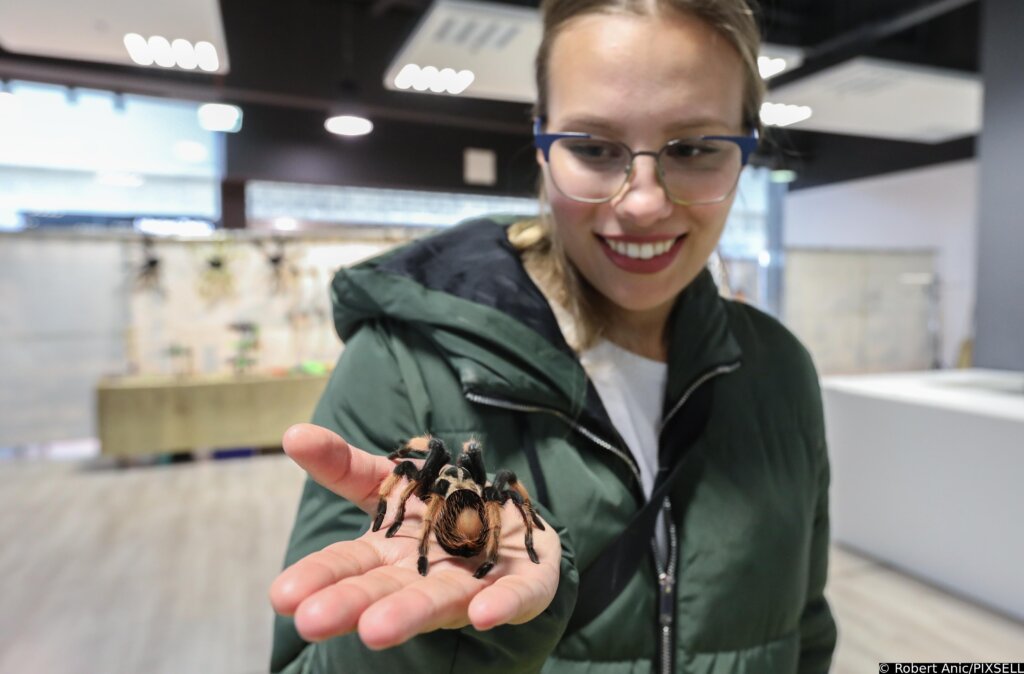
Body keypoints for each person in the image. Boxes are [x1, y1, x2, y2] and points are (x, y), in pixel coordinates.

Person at [269, 0, 837, 671]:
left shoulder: (778, 370)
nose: (645, 201)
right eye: (595, 149)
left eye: (693, 149)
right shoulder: (404, 367)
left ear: (745, 149)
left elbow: (802, 630)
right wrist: (450, 631)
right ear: (542, 147)